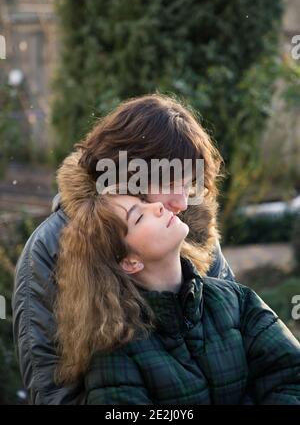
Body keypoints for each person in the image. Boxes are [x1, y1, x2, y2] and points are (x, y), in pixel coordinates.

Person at [12, 93, 234, 405]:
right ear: (127, 176)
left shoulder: (189, 227)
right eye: (171, 184)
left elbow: (241, 338)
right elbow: (54, 392)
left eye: (188, 185)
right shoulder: (51, 249)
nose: (182, 203)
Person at [54, 151, 300, 405]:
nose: (159, 206)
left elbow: (292, 376)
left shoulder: (237, 300)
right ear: (130, 261)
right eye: (138, 215)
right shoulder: (115, 355)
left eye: (145, 200)